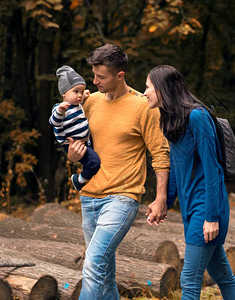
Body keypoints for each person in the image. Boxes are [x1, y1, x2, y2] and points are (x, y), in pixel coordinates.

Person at [66, 44, 170, 300]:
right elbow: (76, 147)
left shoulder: (144, 107)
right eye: (94, 74)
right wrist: (72, 155)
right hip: (89, 198)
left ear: (120, 75)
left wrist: (160, 198)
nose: (94, 81)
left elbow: (160, 155)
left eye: (101, 76)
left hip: (122, 199)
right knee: (103, 273)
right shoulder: (90, 102)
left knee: (92, 264)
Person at [144, 65, 235, 300]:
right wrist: (164, 203)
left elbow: (213, 171)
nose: (144, 92)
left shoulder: (197, 117)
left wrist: (211, 217)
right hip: (191, 210)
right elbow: (177, 169)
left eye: (147, 87)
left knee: (189, 281)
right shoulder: (171, 119)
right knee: (224, 277)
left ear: (162, 89)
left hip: (206, 209)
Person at [49, 65, 101, 191]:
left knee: (95, 156)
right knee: (95, 163)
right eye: (76, 91)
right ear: (63, 93)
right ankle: (79, 180)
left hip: (85, 141)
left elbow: (81, 104)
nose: (79, 95)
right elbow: (53, 122)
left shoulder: (77, 105)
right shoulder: (60, 108)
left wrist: (85, 96)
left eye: (81, 92)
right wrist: (61, 111)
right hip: (72, 145)